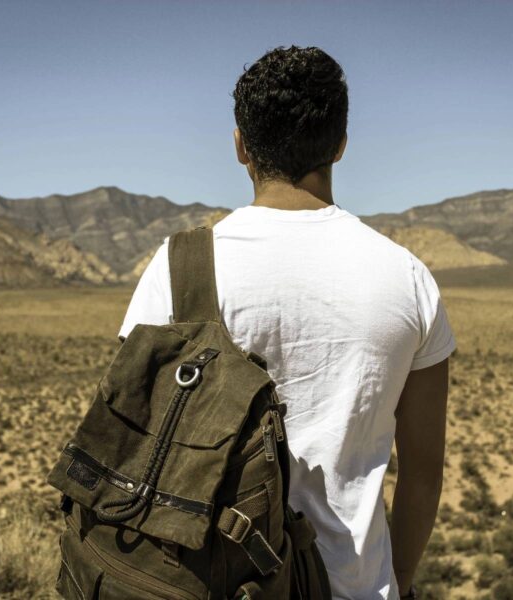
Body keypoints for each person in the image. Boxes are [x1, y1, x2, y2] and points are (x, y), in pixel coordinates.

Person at [118, 45, 455, 600]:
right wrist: (395, 583)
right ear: (341, 144)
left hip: (205, 582)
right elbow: (423, 473)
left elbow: (133, 435)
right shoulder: (409, 279)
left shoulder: (179, 268)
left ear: (240, 146)